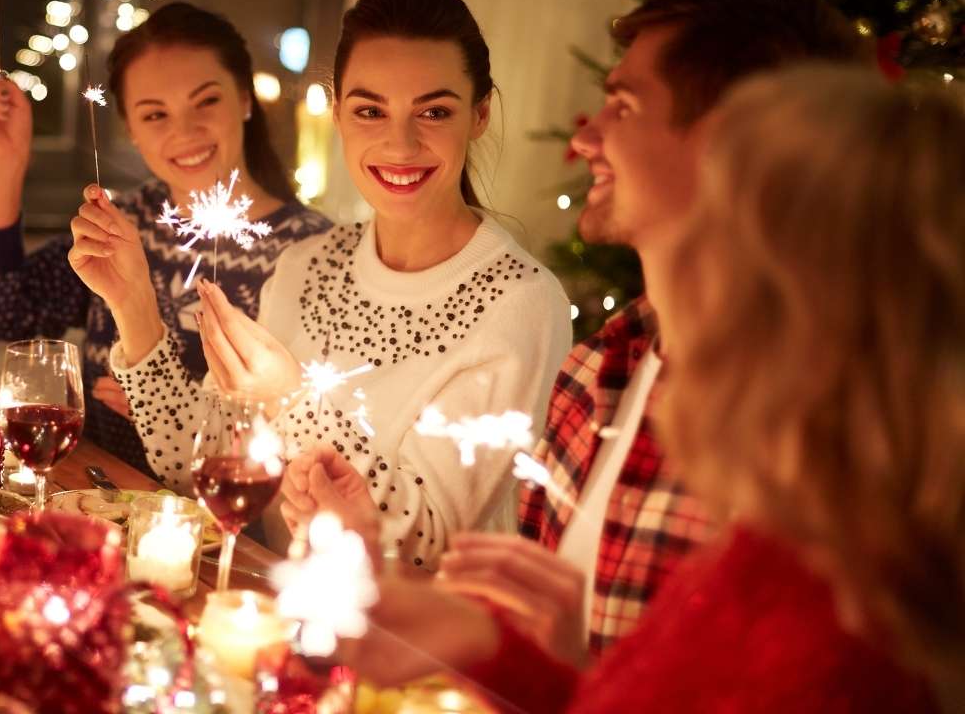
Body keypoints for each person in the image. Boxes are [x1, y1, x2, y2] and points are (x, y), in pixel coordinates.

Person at [278, 0, 873, 660]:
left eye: (623, 105)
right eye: (370, 109)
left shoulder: (829, 426)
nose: (585, 136)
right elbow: (564, 669)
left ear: (738, 139)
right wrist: (371, 550)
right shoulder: (599, 373)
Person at [350, 72, 961, 713]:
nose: (676, 273)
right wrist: (486, 646)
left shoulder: (817, 624)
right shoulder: (786, 543)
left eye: (708, 231)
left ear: (802, 304)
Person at [74, 0, 571, 566]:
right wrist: (134, 309)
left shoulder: (519, 301)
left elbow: (426, 547)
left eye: (434, 111)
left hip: (402, 643)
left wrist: (290, 400)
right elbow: (197, 465)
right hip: (279, 610)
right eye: (370, 110)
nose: (401, 143)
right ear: (337, 112)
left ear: (481, 113)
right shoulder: (310, 262)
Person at [0, 2, 330, 476]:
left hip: (218, 527)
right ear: (131, 129)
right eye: (155, 115)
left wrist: (167, 409)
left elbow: (309, 436)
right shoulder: (124, 222)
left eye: (207, 101)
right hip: (97, 498)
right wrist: (7, 161)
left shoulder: (312, 253)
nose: (185, 131)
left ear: (244, 98)